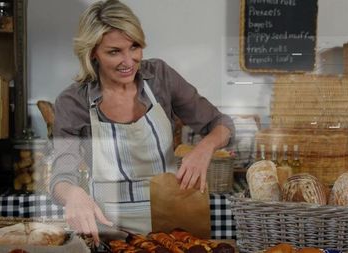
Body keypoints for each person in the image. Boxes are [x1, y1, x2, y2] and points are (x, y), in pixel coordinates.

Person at [49, 0, 234, 244]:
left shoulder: (160, 77)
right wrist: (72, 193)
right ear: (93, 52)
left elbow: (221, 124)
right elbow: (61, 175)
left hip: (173, 226)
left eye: (134, 47)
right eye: (114, 51)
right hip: (108, 231)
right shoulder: (73, 101)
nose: (129, 61)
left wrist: (205, 147)